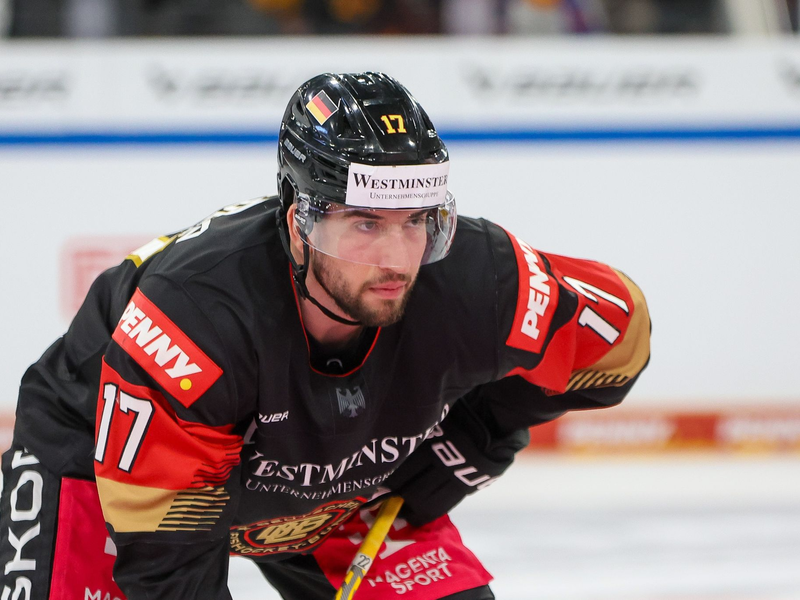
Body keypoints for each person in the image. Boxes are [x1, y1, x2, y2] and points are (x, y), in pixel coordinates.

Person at [0, 71, 650, 599]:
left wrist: (475, 438)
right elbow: (165, 560)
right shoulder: (200, 316)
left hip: (330, 477)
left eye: (417, 220)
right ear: (298, 223)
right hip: (110, 465)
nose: (397, 258)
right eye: (365, 223)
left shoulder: (475, 277)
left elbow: (620, 334)